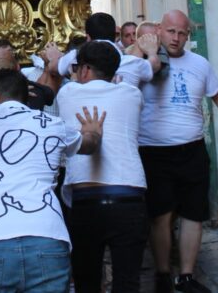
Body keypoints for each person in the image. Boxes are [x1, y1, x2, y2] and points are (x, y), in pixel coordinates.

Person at [0, 69, 106, 292]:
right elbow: (88, 144)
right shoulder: (51, 123)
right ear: (26, 98)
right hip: (47, 238)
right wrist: (94, 132)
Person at [134, 10, 218, 293]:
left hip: (192, 149)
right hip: (154, 150)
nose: (176, 38)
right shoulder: (143, 61)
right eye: (171, 31)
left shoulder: (200, 64)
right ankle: (162, 274)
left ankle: (186, 276)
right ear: (159, 29)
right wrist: (144, 49)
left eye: (182, 33)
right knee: (161, 215)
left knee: (193, 214)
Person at [56, 41, 147, 293]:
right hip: (128, 196)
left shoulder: (67, 94)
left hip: (86, 200)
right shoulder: (132, 95)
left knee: (86, 282)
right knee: (128, 282)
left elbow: (59, 68)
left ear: (85, 69)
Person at [55, 12, 162, 87]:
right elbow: (154, 65)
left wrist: (57, 57)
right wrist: (152, 52)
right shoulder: (131, 63)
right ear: (115, 35)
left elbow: (55, 67)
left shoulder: (75, 56)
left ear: (88, 37)